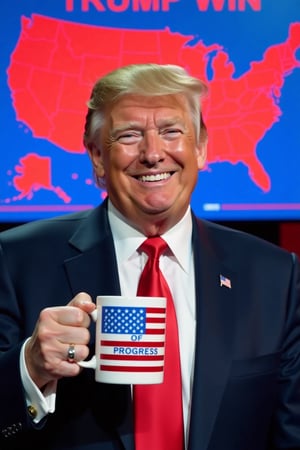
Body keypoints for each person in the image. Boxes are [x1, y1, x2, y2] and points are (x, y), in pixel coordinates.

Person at [0, 63, 300, 450]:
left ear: (200, 147)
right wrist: (31, 367)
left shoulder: (273, 274)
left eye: (172, 132)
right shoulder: (17, 259)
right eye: (129, 135)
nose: (153, 154)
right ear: (96, 156)